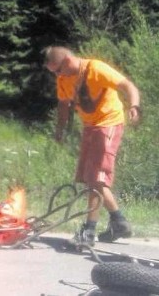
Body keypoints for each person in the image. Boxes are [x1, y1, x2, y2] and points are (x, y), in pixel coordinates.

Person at [43, 46, 141, 247]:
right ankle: (119, 221)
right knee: (89, 178)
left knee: (96, 177)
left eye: (57, 70)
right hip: (90, 126)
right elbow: (63, 105)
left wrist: (134, 106)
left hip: (109, 123)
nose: (57, 75)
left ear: (68, 61)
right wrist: (60, 130)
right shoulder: (64, 79)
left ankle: (89, 230)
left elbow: (128, 85)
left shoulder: (96, 69)